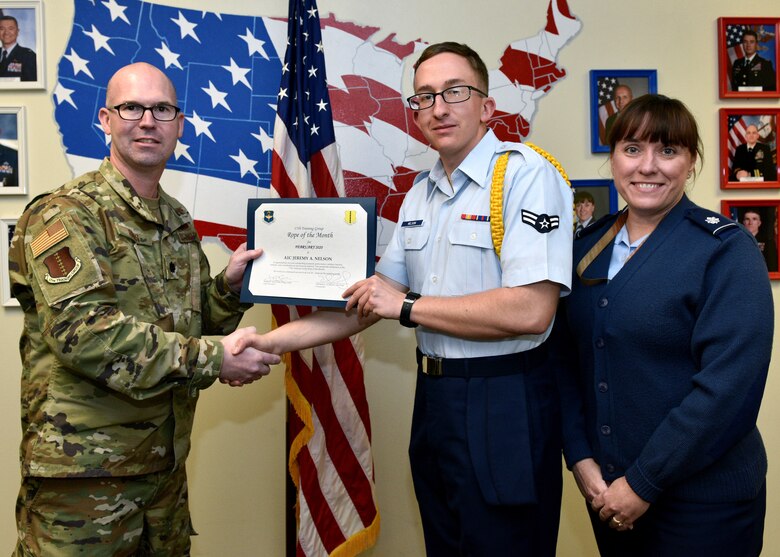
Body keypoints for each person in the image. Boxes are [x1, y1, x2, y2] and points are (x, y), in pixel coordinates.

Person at [237, 42, 573, 555]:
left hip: (504, 400)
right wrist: (268, 343)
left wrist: (408, 306)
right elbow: (372, 301)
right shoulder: (421, 193)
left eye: (455, 92)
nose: (439, 108)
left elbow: (532, 310)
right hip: (436, 402)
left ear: (486, 106)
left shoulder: (525, 175)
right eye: (424, 97)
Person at [8, 62, 280, 556]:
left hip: (163, 472)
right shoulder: (64, 214)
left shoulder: (174, 218)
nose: (148, 121)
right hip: (85, 482)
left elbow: (188, 324)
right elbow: (85, 335)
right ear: (106, 120)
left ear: (180, 124)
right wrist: (215, 359)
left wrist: (229, 288)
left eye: (162, 109)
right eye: (132, 107)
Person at [557, 94, 773, 556]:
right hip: (609, 497)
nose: (647, 166)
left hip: (704, 507)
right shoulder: (586, 247)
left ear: (691, 162)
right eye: (632, 149)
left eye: (668, 150)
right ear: (613, 157)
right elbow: (565, 363)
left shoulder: (724, 250)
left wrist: (642, 482)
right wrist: (579, 457)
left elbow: (728, 389)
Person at [0, 15, 37, 81]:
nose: (6, 32)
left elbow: (33, 84)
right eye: (2, 29)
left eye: (11, 28)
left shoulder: (28, 56)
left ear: (17, 31)